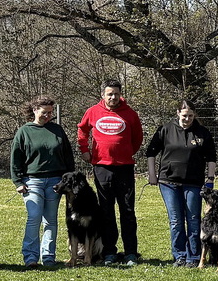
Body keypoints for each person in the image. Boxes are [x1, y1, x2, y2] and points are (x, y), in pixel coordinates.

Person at [77, 80, 145, 265]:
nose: (113, 97)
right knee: (106, 211)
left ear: (120, 94)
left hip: (125, 168)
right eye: (109, 94)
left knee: (127, 211)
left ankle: (131, 252)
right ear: (103, 95)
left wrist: (125, 152)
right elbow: (82, 130)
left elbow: (138, 138)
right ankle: (109, 252)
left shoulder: (130, 114)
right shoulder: (93, 112)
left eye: (116, 94)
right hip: (102, 167)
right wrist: (84, 150)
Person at [145, 100, 218, 268]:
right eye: (184, 115)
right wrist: (152, 174)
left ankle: (194, 256)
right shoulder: (165, 130)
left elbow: (211, 157)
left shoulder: (202, 132)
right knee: (176, 220)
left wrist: (210, 178)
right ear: (178, 113)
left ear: (195, 115)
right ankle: (179, 255)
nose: (187, 119)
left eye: (191, 116)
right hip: (168, 182)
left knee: (193, 219)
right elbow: (151, 152)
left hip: (194, 183)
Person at [11, 95, 74, 269]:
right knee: (34, 217)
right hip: (32, 181)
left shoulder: (57, 130)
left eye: (50, 113)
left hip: (55, 181)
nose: (47, 116)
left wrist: (68, 180)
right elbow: (15, 159)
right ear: (34, 110)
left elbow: (68, 156)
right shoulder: (24, 131)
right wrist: (18, 182)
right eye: (44, 112)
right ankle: (30, 257)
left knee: (51, 220)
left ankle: (48, 256)